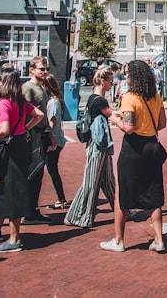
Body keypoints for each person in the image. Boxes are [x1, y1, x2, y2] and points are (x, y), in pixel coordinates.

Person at [101, 60, 167, 254]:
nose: (126, 76)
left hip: (134, 148)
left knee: (123, 193)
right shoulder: (155, 96)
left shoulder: (130, 97)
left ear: (135, 76)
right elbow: (161, 123)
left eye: (128, 73)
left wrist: (115, 120)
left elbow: (128, 128)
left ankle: (119, 240)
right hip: (152, 146)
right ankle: (158, 238)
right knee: (154, 193)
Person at [0, 68, 45, 253]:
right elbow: (39, 115)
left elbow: (5, 129)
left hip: (10, 146)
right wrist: (25, 128)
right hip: (21, 145)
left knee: (12, 190)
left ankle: (14, 239)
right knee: (6, 187)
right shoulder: (20, 101)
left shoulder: (3, 102)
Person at [64, 68, 117, 228]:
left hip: (100, 143)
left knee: (107, 180)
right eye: (110, 81)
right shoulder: (100, 101)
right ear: (102, 81)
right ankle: (77, 215)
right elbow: (112, 116)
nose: (111, 84)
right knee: (91, 180)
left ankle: (122, 208)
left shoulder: (93, 99)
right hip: (98, 144)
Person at [20, 56, 52, 224]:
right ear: (31, 70)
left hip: (42, 133)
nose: (45, 72)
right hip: (33, 135)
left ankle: (32, 208)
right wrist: (27, 129)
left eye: (46, 69)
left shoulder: (41, 88)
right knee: (32, 172)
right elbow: (25, 112)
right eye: (42, 69)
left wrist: (50, 134)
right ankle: (28, 211)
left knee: (38, 173)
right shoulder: (28, 88)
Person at [41, 75, 69, 209]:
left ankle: (61, 198)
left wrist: (49, 138)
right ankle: (61, 198)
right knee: (51, 168)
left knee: (52, 169)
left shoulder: (52, 102)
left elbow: (52, 122)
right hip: (56, 139)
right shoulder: (54, 101)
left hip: (55, 140)